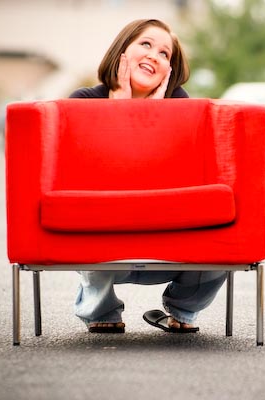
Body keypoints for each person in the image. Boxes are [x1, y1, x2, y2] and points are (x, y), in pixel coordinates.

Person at [69, 19, 227, 334]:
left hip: (171, 239)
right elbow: (89, 176)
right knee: (90, 211)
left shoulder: (182, 105)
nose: (155, 55)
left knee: (223, 240)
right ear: (122, 50)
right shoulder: (83, 101)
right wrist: (122, 112)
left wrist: (155, 119)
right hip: (107, 239)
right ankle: (101, 309)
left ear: (170, 69)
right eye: (146, 44)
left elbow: (183, 180)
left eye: (165, 53)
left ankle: (183, 309)